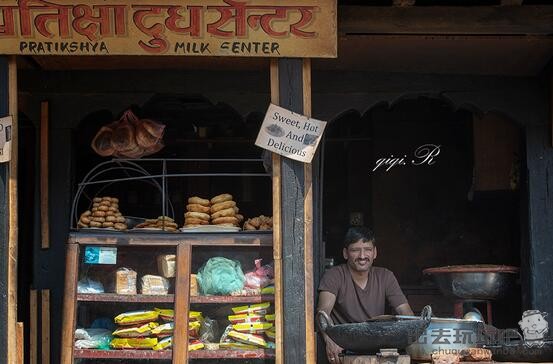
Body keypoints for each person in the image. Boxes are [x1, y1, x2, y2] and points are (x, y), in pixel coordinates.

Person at [317, 226, 414, 363]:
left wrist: (410, 341)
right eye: (355, 250)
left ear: (375, 253)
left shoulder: (385, 276)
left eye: (367, 250)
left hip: (378, 347)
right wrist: (329, 339)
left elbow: (406, 313)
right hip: (344, 350)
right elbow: (322, 313)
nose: (362, 256)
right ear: (345, 253)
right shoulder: (334, 276)